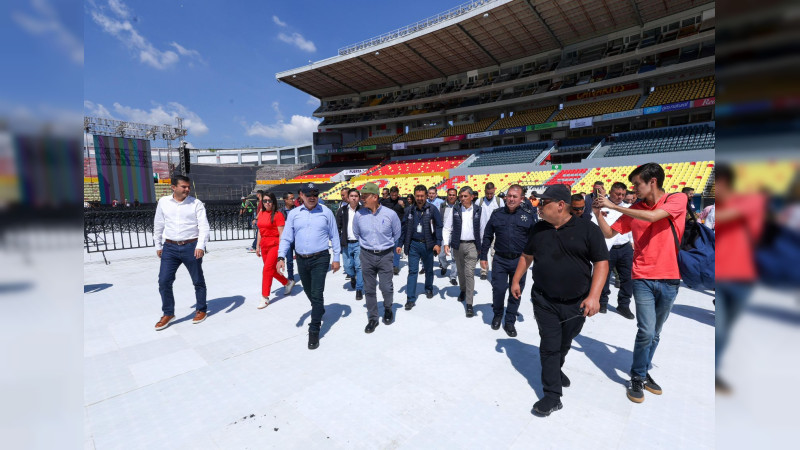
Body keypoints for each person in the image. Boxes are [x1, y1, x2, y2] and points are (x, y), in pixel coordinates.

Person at [510, 184, 609, 416]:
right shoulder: (538, 229)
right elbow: (527, 256)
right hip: (544, 300)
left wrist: (594, 296)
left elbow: (602, 263)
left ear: (561, 205)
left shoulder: (588, 230)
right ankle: (552, 395)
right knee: (550, 345)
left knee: (565, 342)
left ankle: (556, 368)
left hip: (577, 303)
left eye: (544, 203)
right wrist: (516, 280)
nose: (540, 207)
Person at [592, 163, 687, 403]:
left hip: (670, 278)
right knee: (646, 329)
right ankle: (637, 376)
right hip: (642, 276)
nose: (634, 189)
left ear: (652, 181)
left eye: (637, 184)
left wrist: (614, 205)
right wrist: (597, 214)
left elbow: (655, 216)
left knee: (655, 332)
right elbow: (609, 234)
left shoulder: (676, 199)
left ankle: (643, 373)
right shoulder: (635, 209)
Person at [713, 165, 765, 393]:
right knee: (721, 329)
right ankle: (716, 374)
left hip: (745, 278)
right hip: (723, 277)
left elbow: (730, 217)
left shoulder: (751, 201)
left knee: (731, 331)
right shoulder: (718, 207)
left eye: (717, 184)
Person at [277, 183, 341, 350]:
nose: (312, 196)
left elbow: (334, 236)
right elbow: (286, 237)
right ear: (301, 195)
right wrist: (281, 256)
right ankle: (318, 309)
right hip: (301, 259)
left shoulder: (326, 212)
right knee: (308, 290)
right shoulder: (294, 214)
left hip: (320, 258)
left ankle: (314, 329)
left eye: (315, 193)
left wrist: (336, 258)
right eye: (308, 193)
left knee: (317, 292)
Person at [153, 175, 210, 331]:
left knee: (198, 280)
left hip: (191, 246)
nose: (187, 189)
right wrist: (158, 245)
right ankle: (168, 313)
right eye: (183, 187)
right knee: (164, 281)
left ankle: (201, 309)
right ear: (173, 187)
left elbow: (204, 226)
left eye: (188, 187)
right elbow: (158, 224)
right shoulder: (163, 202)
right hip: (169, 247)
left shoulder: (196, 203)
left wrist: (200, 246)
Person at [480, 184, 537, 336]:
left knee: (516, 292)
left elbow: (535, 239)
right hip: (500, 259)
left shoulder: (528, 215)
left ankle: (510, 320)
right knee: (498, 289)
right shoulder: (497, 214)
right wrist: (483, 256)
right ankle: (498, 314)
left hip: (520, 261)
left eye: (514, 196)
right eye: (509, 196)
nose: (511, 199)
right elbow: (487, 235)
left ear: (521, 199)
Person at [353, 182, 402, 333]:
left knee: (386, 287)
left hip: (385, 255)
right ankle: (373, 318)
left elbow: (397, 234)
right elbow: (356, 234)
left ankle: (388, 308)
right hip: (366, 254)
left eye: (365, 196)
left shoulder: (390, 214)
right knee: (369, 288)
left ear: (375, 197)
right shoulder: (359, 215)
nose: (362, 199)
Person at [594, 182, 635, 319]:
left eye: (623, 194)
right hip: (607, 248)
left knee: (627, 278)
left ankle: (624, 305)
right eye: (617, 194)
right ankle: (603, 302)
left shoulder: (628, 208)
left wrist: (632, 242)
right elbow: (595, 225)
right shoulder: (601, 205)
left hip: (625, 248)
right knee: (604, 277)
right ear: (610, 192)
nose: (620, 197)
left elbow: (631, 228)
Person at [398, 184, 443, 310]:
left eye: (422, 196)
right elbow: (403, 228)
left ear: (426, 196)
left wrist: (438, 243)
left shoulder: (433, 209)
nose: (420, 198)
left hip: (428, 245)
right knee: (412, 271)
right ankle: (410, 299)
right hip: (413, 245)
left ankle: (429, 288)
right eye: (417, 196)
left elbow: (439, 226)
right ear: (414, 196)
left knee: (429, 270)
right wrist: (400, 244)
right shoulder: (409, 210)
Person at [443, 186, 482, 317]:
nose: (462, 199)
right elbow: (447, 228)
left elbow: (482, 229)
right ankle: (463, 290)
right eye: (461, 196)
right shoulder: (455, 209)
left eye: (465, 196)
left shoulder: (478, 210)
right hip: (457, 246)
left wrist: (482, 247)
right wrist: (446, 243)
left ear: (472, 197)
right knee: (460, 271)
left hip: (472, 245)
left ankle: (470, 304)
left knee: (469, 273)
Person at [255, 192, 294, 309]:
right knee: (271, 270)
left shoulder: (278, 215)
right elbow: (260, 231)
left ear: (273, 202)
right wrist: (257, 246)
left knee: (266, 270)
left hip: (275, 245)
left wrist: (281, 254)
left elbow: (282, 235)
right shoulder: (261, 213)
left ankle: (265, 297)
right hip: (264, 245)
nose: (267, 203)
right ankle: (287, 283)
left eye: (269, 201)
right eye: (265, 200)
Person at [336, 189, 364, 300]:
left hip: (359, 243)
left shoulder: (363, 210)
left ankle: (359, 289)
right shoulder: (342, 210)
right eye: (351, 196)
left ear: (359, 197)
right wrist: (337, 243)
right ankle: (352, 277)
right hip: (346, 243)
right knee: (348, 266)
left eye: (356, 196)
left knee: (359, 266)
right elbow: (337, 227)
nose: (353, 198)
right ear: (348, 197)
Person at [479, 182, 505, 281]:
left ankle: (495, 271)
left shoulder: (499, 201)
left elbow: (503, 216)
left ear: (494, 191)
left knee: (494, 253)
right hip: (483, 232)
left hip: (496, 233)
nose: (489, 195)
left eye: (491, 193)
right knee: (483, 252)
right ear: (484, 191)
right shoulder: (479, 201)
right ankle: (484, 271)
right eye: (487, 193)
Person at [381, 186, 406, 275]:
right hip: (387, 228)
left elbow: (407, 212)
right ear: (389, 194)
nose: (394, 197)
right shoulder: (385, 202)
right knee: (387, 247)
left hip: (398, 228)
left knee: (397, 247)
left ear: (398, 194)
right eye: (392, 195)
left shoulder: (403, 200)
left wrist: (403, 205)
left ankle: (395, 265)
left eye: (395, 195)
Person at [438, 188, 459, 285]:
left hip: (456, 233)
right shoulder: (442, 206)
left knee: (455, 257)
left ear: (456, 196)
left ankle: (453, 276)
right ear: (447, 195)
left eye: (453, 195)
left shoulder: (459, 205)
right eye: (450, 194)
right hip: (444, 233)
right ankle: (445, 265)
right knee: (441, 254)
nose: (451, 196)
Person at [280, 192, 296, 288]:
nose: (293, 200)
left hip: (298, 238)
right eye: (291, 198)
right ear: (285, 200)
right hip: (288, 239)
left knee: (302, 258)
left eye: (293, 198)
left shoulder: (298, 210)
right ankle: (291, 277)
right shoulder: (280, 212)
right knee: (289, 259)